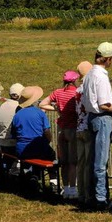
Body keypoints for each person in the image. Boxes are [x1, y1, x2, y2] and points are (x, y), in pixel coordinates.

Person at [82, 42, 112, 210]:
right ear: (108, 59)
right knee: (101, 161)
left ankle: (94, 194)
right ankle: (100, 199)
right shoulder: (101, 76)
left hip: (91, 117)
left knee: (93, 159)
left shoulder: (90, 73)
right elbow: (105, 104)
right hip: (102, 117)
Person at [40, 71, 79, 199]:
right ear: (74, 81)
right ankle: (73, 189)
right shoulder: (77, 93)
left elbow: (42, 104)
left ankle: (66, 188)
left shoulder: (58, 92)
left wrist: (56, 109)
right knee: (73, 162)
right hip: (73, 128)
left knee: (64, 162)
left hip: (61, 128)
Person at [11, 86, 55, 161]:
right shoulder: (40, 113)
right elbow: (47, 131)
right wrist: (47, 141)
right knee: (52, 155)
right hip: (38, 148)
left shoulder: (17, 115)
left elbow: (13, 133)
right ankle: (52, 172)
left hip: (21, 150)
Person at [0, 83, 24, 176]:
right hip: (12, 142)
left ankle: (9, 171)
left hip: (2, 142)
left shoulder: (3, 105)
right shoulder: (19, 107)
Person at [75, 61, 93, 206]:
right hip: (87, 128)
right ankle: (88, 194)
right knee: (88, 163)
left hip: (78, 127)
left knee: (80, 163)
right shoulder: (87, 88)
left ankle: (80, 193)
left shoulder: (78, 90)